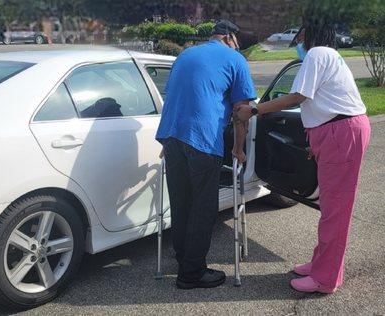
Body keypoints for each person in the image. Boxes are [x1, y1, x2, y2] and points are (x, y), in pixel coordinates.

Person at [236, 18, 371, 293]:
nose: (298, 42)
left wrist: (253, 111)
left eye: (300, 36)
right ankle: (322, 264)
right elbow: (317, 101)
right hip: (337, 132)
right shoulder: (327, 55)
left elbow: (298, 97)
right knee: (331, 208)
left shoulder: (317, 53)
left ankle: (325, 279)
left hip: (340, 132)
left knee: (335, 210)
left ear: (311, 34)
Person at [156, 20, 256, 289]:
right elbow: (241, 110)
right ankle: (191, 273)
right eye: (237, 40)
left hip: (172, 137)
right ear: (229, 37)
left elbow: (176, 96)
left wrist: (168, 140)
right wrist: (237, 148)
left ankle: (183, 260)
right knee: (202, 208)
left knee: (181, 204)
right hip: (202, 139)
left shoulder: (185, 54)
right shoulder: (235, 59)